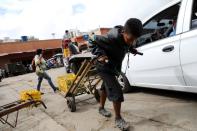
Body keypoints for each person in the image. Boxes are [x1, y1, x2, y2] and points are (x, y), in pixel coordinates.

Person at [92, 18, 143, 130]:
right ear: (124, 32)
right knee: (116, 91)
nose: (132, 42)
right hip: (103, 66)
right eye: (131, 39)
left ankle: (101, 108)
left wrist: (133, 50)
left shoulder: (127, 37)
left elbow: (127, 44)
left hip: (112, 66)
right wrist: (100, 55)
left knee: (105, 87)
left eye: (135, 40)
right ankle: (118, 119)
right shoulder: (111, 38)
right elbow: (92, 41)